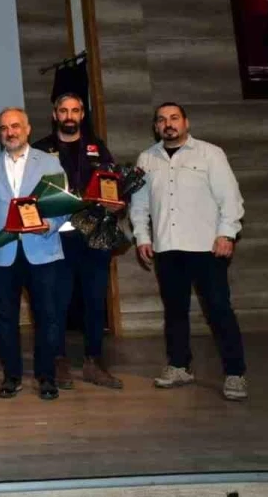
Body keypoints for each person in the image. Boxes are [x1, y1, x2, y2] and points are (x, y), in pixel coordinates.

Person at [132, 102, 248, 401]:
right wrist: (143, 236)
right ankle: (179, 366)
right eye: (161, 120)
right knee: (174, 311)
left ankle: (235, 373)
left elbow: (230, 198)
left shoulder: (210, 154)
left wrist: (227, 233)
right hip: (167, 247)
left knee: (218, 309)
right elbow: (140, 203)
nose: (168, 124)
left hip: (207, 247)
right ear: (156, 126)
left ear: (186, 122)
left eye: (174, 118)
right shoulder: (146, 158)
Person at [0, 107, 66, 401]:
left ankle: (46, 377)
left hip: (43, 251)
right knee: (5, 319)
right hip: (2, 254)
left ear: (27, 129)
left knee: (47, 317)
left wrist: (50, 224)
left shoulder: (49, 162)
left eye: (15, 126)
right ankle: (11, 376)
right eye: (4, 128)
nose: (9, 132)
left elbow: (63, 204)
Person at [31, 95, 122, 390]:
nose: (69, 115)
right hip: (57, 238)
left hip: (94, 235)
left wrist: (115, 201)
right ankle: (58, 361)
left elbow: (112, 182)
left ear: (82, 114)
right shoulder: (40, 149)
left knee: (95, 301)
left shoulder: (97, 147)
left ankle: (94, 362)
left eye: (75, 110)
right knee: (57, 302)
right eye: (63, 111)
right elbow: (31, 192)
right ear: (54, 115)